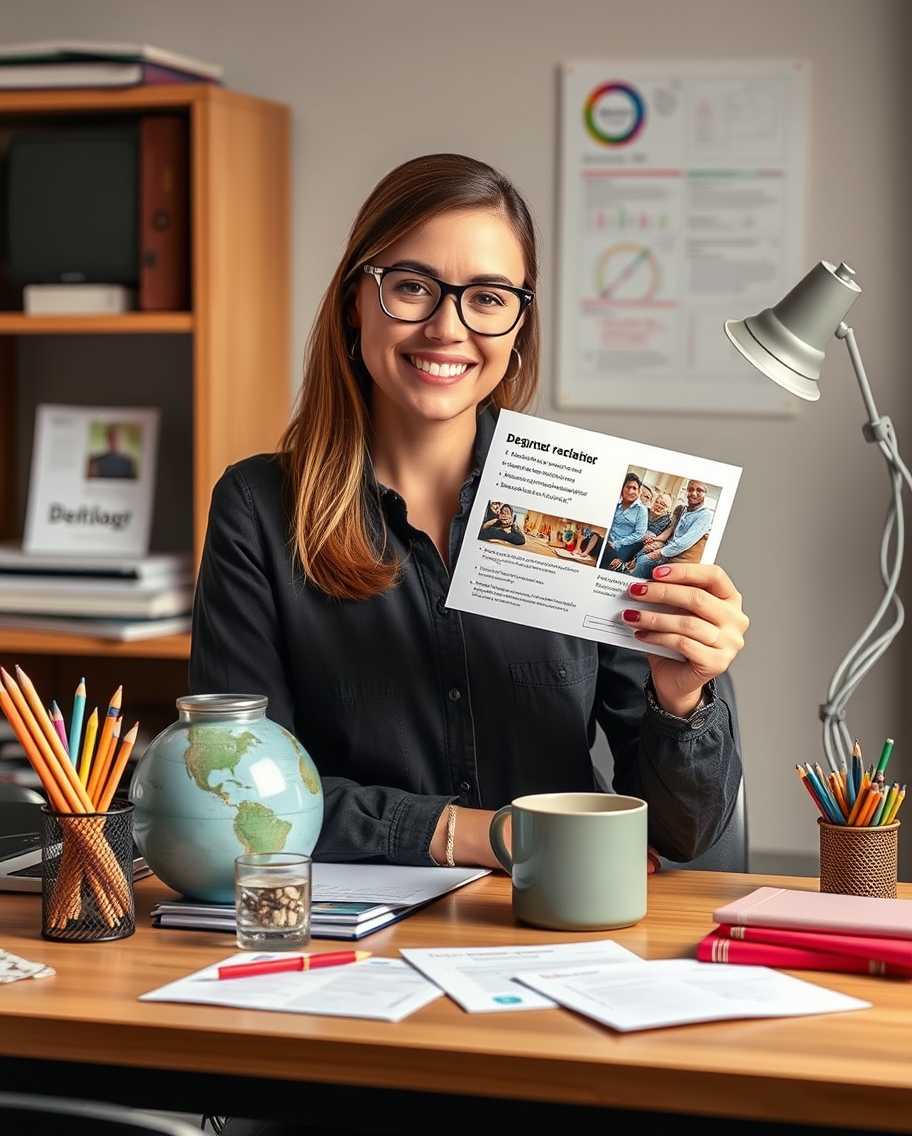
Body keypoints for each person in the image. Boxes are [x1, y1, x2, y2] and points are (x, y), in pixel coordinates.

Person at [190, 153, 748, 874]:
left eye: (487, 298)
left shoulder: (593, 509)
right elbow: (239, 797)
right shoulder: (258, 510)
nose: (448, 328)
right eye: (413, 286)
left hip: (559, 919)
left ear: (518, 325)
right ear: (355, 304)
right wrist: (484, 835)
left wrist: (681, 699)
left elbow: (682, 834)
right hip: (350, 938)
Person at [630, 480, 714, 578]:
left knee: (644, 561)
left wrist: (659, 552)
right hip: (669, 553)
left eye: (699, 490)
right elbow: (671, 531)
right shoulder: (683, 510)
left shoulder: (705, 515)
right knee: (643, 555)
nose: (694, 494)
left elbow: (683, 543)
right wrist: (655, 540)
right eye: (691, 489)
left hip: (679, 561)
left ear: (705, 494)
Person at [606, 490, 673, 572]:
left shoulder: (667, 521)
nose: (658, 505)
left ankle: (621, 563)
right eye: (657, 502)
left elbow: (654, 537)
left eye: (663, 504)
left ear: (668, 509)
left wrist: (647, 537)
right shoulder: (645, 511)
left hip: (643, 546)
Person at [598, 474, 648, 570]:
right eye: (628, 487)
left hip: (622, 546)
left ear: (639, 491)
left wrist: (617, 543)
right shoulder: (615, 503)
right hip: (605, 539)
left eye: (634, 488)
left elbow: (640, 534)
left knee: (608, 559)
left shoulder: (641, 510)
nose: (630, 491)